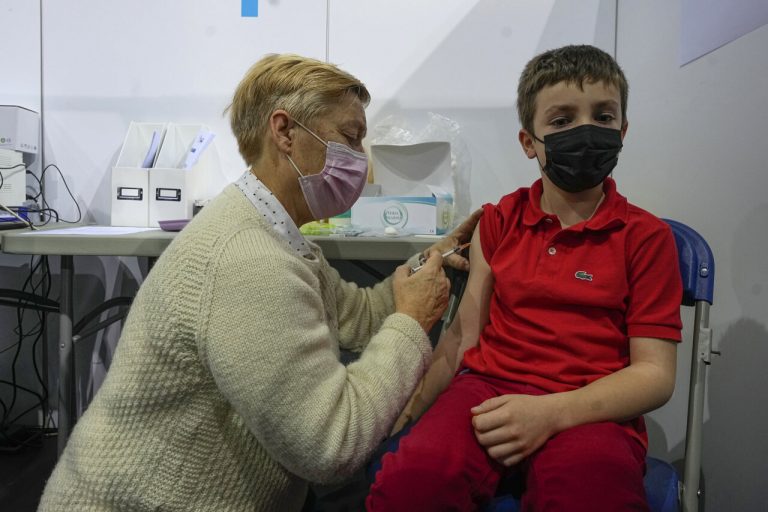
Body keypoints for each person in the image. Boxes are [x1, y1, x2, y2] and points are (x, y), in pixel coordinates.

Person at [38, 54, 481, 511]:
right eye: (350, 139)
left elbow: (358, 313)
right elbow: (332, 445)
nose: (359, 161)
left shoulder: (274, 231)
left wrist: (429, 263)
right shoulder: (248, 259)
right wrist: (411, 321)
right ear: (285, 132)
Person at [367, 44, 683, 511]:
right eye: (561, 121)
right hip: (487, 390)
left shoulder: (646, 238)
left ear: (624, 130)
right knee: (411, 484)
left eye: (603, 116)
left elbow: (655, 374)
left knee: (592, 497)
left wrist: (553, 413)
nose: (586, 131)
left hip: (590, 407)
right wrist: (408, 412)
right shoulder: (499, 221)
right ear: (528, 142)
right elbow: (462, 338)